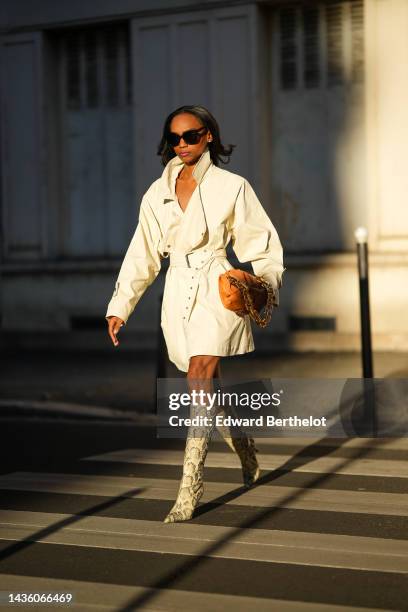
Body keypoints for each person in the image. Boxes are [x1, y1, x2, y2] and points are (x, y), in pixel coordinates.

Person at [105, 104, 285, 523]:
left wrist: (266, 286)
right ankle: (248, 454)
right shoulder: (157, 192)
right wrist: (120, 307)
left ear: (209, 136)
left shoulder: (232, 186)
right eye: (175, 137)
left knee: (199, 375)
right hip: (177, 290)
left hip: (218, 287)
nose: (182, 144)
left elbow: (262, 243)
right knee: (206, 381)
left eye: (191, 135)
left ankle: (190, 488)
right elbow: (143, 254)